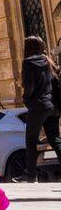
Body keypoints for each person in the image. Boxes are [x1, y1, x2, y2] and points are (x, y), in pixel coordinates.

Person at [20, 36, 61, 183]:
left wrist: (26, 99)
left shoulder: (28, 62)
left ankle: (31, 175)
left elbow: (29, 87)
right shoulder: (49, 61)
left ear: (28, 48)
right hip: (52, 107)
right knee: (55, 139)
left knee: (31, 141)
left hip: (38, 107)